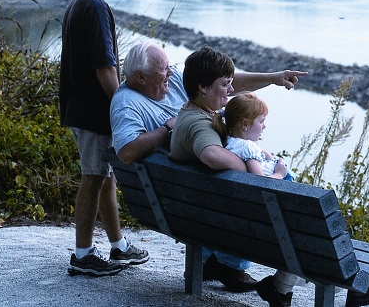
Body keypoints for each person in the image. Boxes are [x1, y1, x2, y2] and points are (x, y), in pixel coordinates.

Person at [168, 47, 369, 307]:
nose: (231, 90)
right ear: (202, 87)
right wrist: (255, 167)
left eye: (230, 83)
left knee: (305, 230)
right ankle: (354, 287)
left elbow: (229, 83)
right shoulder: (201, 126)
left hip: (217, 222)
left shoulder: (192, 113)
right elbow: (211, 155)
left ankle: (279, 288)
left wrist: (274, 77)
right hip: (252, 226)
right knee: (313, 235)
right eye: (225, 85)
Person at [110, 41, 308, 292]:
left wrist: (273, 78)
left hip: (193, 200)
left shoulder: (184, 89)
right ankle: (230, 265)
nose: (171, 73)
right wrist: (251, 166)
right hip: (205, 199)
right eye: (164, 70)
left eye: (170, 67)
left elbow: (222, 82)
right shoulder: (128, 103)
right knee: (261, 200)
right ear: (140, 76)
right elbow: (127, 152)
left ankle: (210, 261)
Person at [59, 0, 149, 277]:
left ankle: (118, 245)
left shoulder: (80, 1)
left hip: (83, 107)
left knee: (105, 177)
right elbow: (104, 67)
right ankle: (83, 255)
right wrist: (124, 107)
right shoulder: (95, 6)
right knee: (93, 177)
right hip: (93, 110)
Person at [213, 92, 307, 306]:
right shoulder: (248, 148)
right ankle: (283, 286)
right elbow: (261, 181)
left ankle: (284, 286)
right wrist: (281, 173)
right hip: (273, 209)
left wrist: (264, 153)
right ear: (245, 125)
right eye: (261, 122)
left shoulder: (228, 142)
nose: (264, 127)